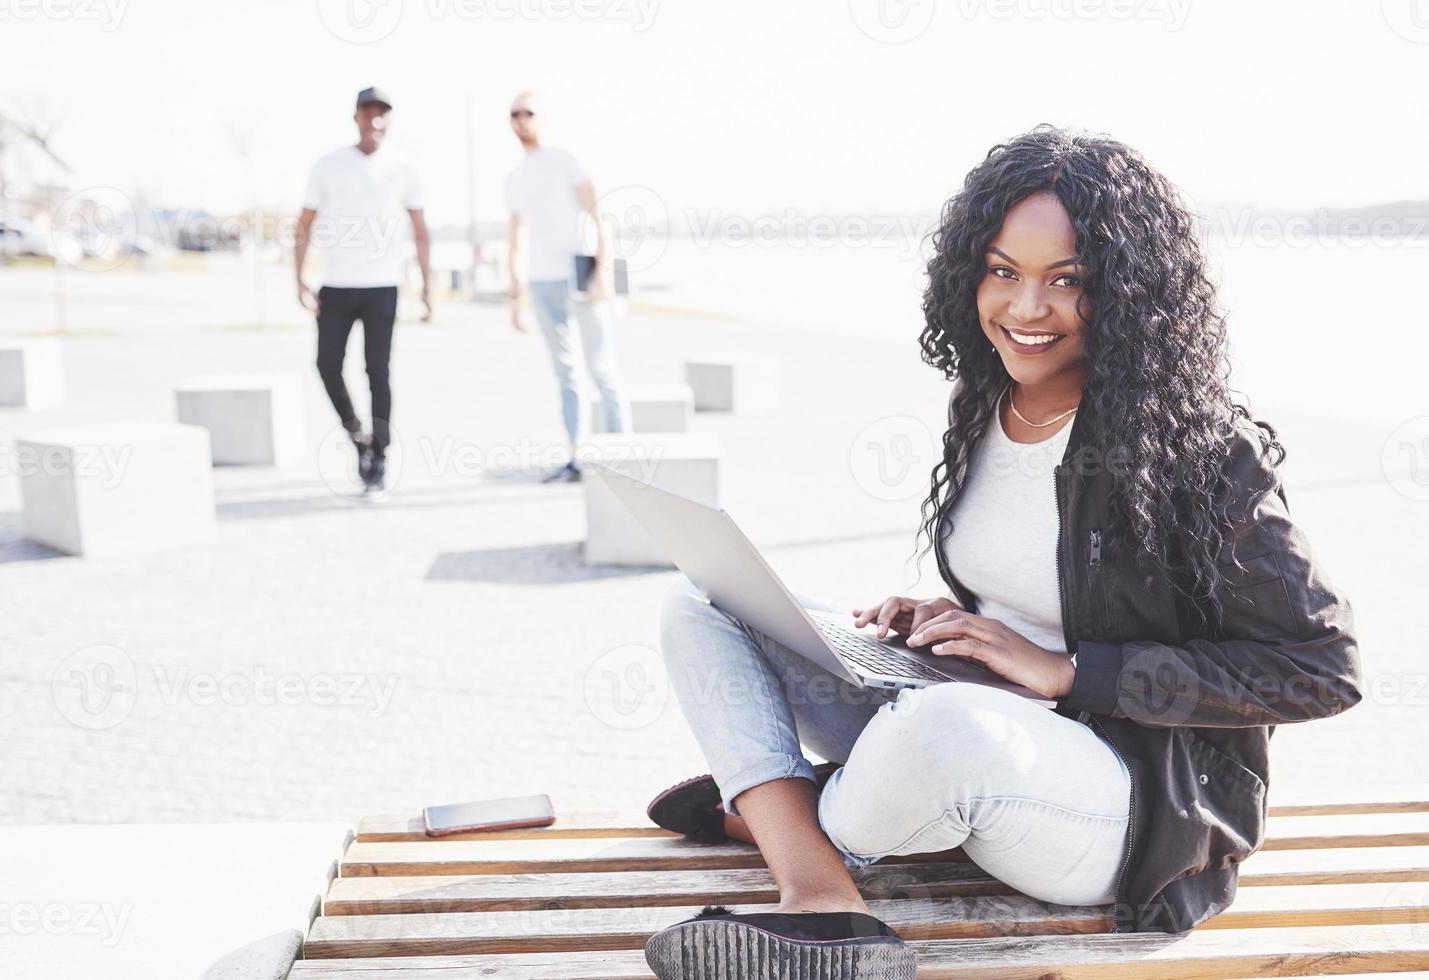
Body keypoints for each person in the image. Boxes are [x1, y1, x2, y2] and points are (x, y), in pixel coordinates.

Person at [640, 126, 1363, 978]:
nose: (1025, 309)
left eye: (1068, 281)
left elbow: (1321, 668)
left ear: (1130, 293)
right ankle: (824, 889)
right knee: (707, 600)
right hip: (980, 716)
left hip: (1126, 805)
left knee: (938, 731)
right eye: (1002, 271)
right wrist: (952, 618)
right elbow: (1040, 588)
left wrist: (1069, 672)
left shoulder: (1198, 453)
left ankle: (777, 812)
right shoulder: (988, 399)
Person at [295, 86, 432, 495]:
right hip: (336, 286)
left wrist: (426, 287)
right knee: (326, 365)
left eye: (381, 114)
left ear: (388, 120)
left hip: (382, 287)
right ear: (355, 117)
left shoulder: (403, 168)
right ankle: (358, 436)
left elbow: (422, 232)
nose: (374, 121)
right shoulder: (329, 165)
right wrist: (298, 278)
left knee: (378, 372)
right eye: (367, 113)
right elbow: (304, 225)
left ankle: (381, 456)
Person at [504, 91, 625, 483]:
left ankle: (623, 457)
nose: (522, 119)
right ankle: (576, 457)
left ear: (541, 117)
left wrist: (604, 272)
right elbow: (515, 236)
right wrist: (515, 294)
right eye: (514, 114)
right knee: (565, 374)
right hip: (541, 281)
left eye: (529, 112)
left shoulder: (566, 160)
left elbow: (599, 215)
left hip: (580, 271)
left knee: (601, 368)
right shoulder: (515, 177)